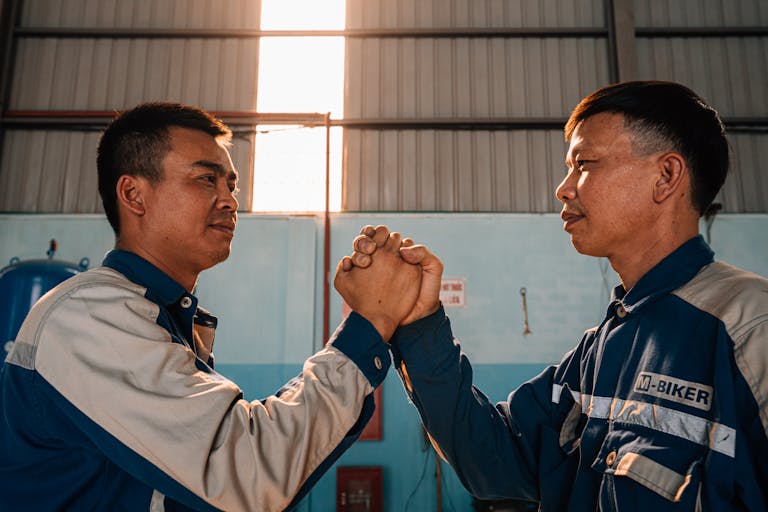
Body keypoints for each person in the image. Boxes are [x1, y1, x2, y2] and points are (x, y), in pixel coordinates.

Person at [341, 81, 768, 510]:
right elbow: (492, 460)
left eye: (584, 163)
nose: (563, 189)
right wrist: (419, 322)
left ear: (666, 176)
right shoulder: (600, 351)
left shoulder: (750, 332)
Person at [0, 102, 422, 511]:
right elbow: (246, 470)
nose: (229, 201)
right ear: (133, 194)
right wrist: (370, 322)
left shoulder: (161, 317)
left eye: (232, 185)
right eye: (206, 179)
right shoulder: (90, 315)